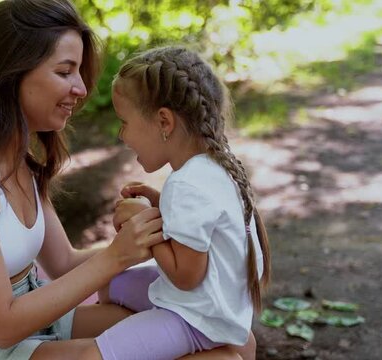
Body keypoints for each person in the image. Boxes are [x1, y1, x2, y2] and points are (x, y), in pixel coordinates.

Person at [0, 0, 246, 358]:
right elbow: (1, 326)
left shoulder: (17, 161)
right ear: (11, 72)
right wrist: (115, 257)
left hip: (34, 320)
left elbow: (62, 263)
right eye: (65, 72)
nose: (81, 88)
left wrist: (169, 238)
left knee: (228, 338)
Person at [89, 46, 272, 360]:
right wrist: (161, 205)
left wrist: (145, 221)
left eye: (125, 122)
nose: (122, 135)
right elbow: (203, 226)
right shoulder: (215, 165)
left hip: (195, 318)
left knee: (89, 357)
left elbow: (186, 277)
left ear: (164, 122)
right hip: (220, 305)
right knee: (112, 285)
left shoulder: (187, 183)